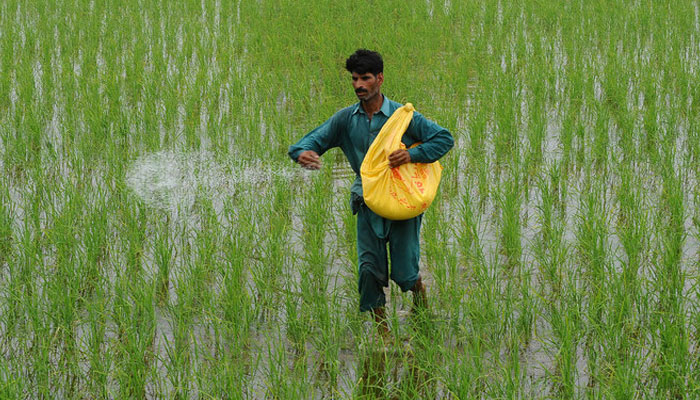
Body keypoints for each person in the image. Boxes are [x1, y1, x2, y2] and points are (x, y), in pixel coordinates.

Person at [288, 49, 454, 337]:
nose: (358, 85)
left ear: (379, 79)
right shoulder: (345, 120)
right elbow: (309, 141)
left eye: (364, 78)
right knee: (368, 270)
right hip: (366, 201)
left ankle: (420, 302)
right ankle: (384, 335)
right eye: (354, 79)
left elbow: (444, 139)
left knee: (405, 271)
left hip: (402, 202)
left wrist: (413, 156)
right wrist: (304, 153)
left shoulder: (403, 118)